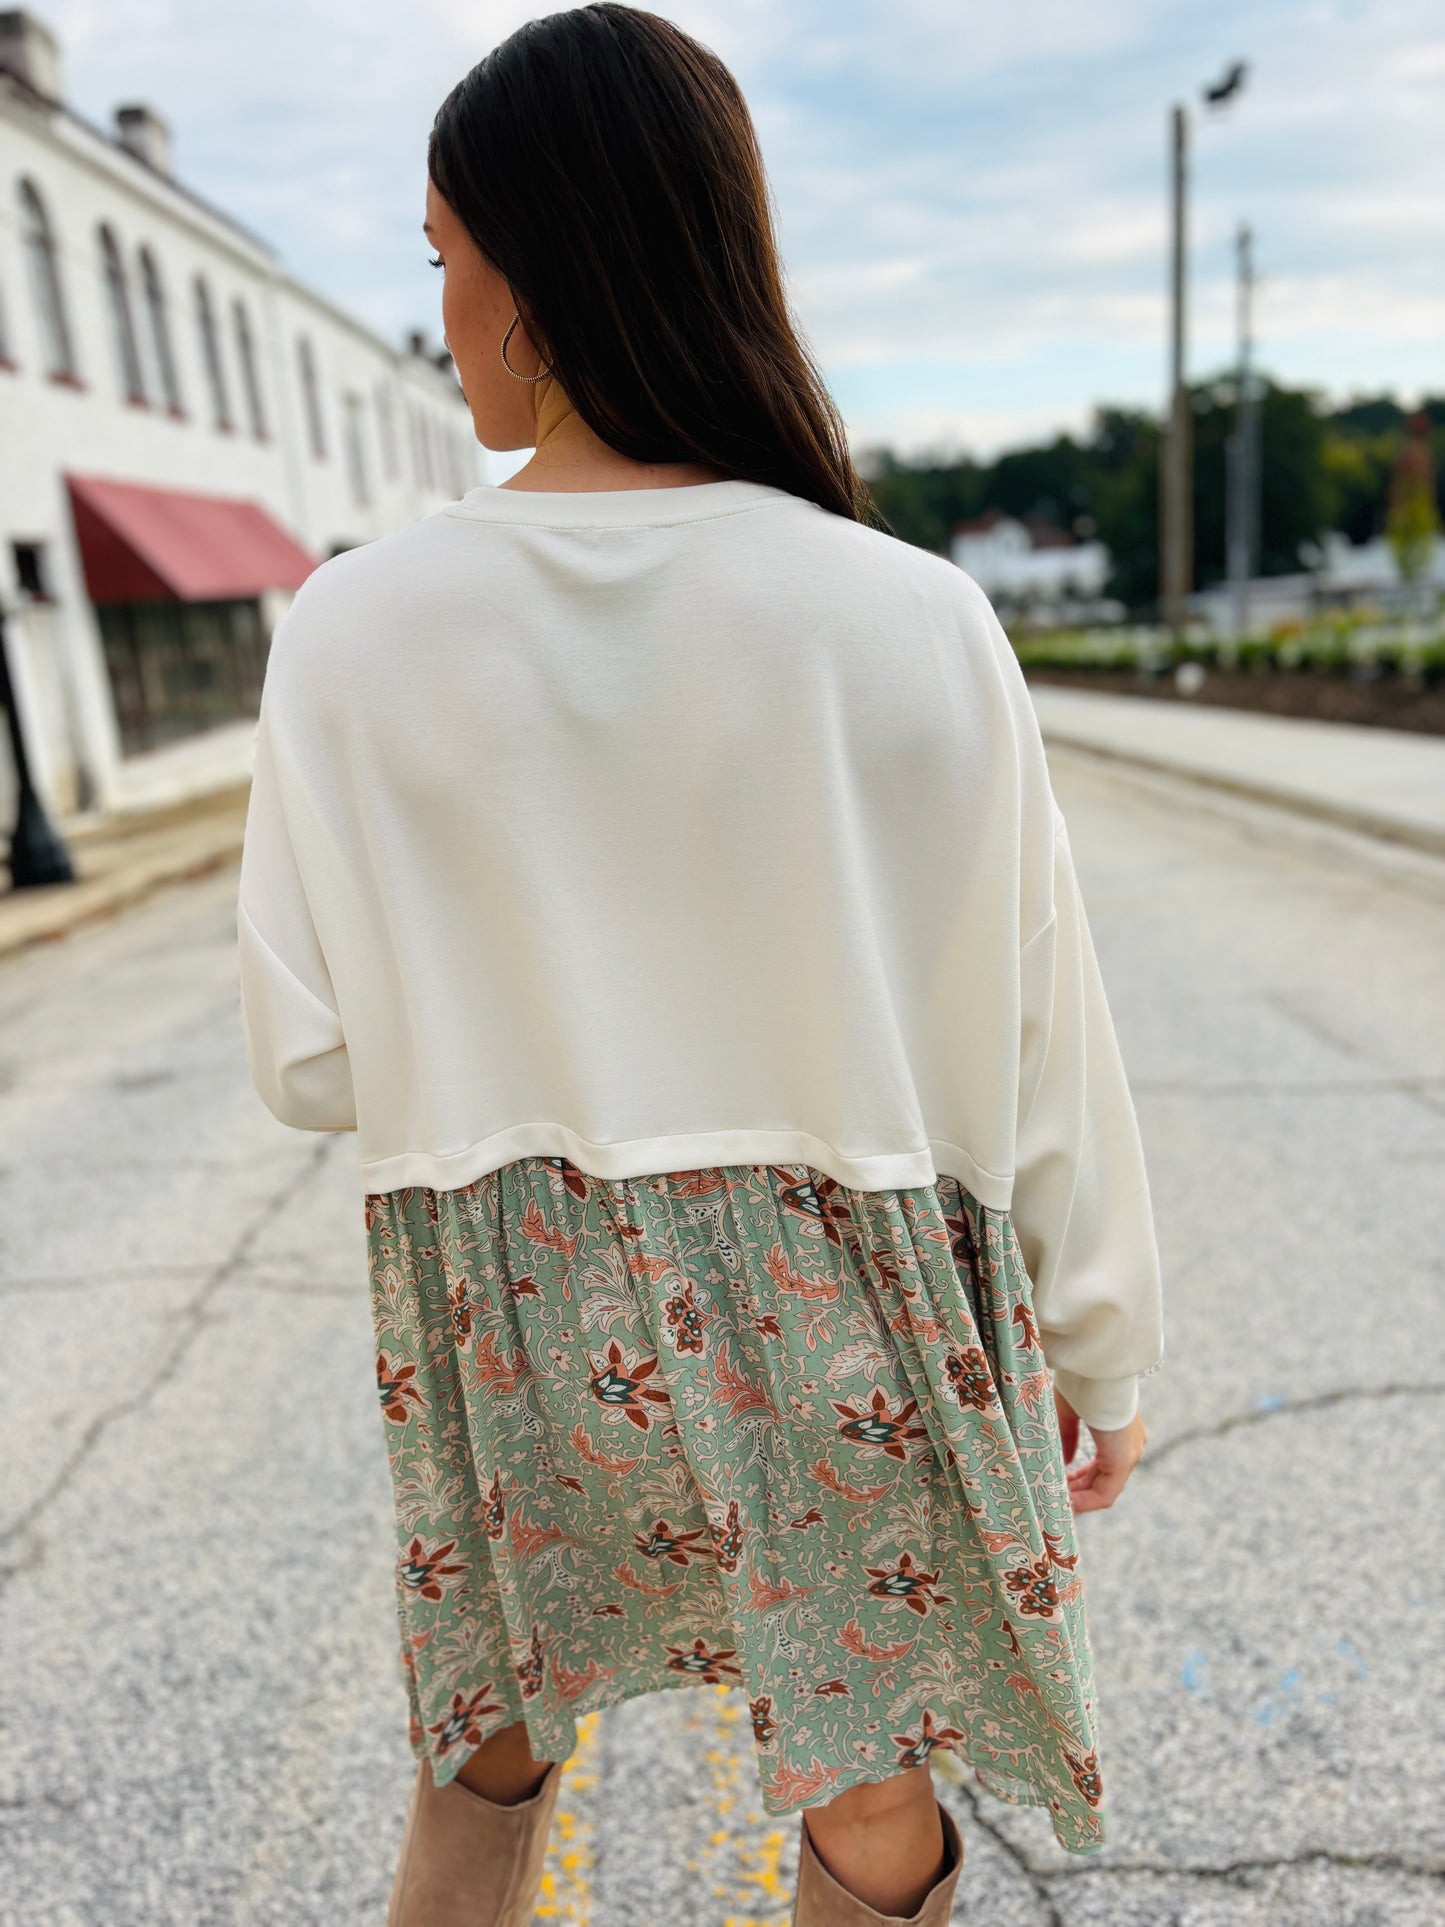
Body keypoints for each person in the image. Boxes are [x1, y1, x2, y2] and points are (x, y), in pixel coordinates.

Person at [235, 6, 1164, 1923]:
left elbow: (309, 1060)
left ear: (540, 257)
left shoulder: (350, 629)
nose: (437, 309)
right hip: (849, 1309)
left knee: (488, 1745)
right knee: (864, 1790)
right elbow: (1037, 1019)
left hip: (510, 1312)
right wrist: (1102, 1342)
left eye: (441, 255)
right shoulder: (909, 615)